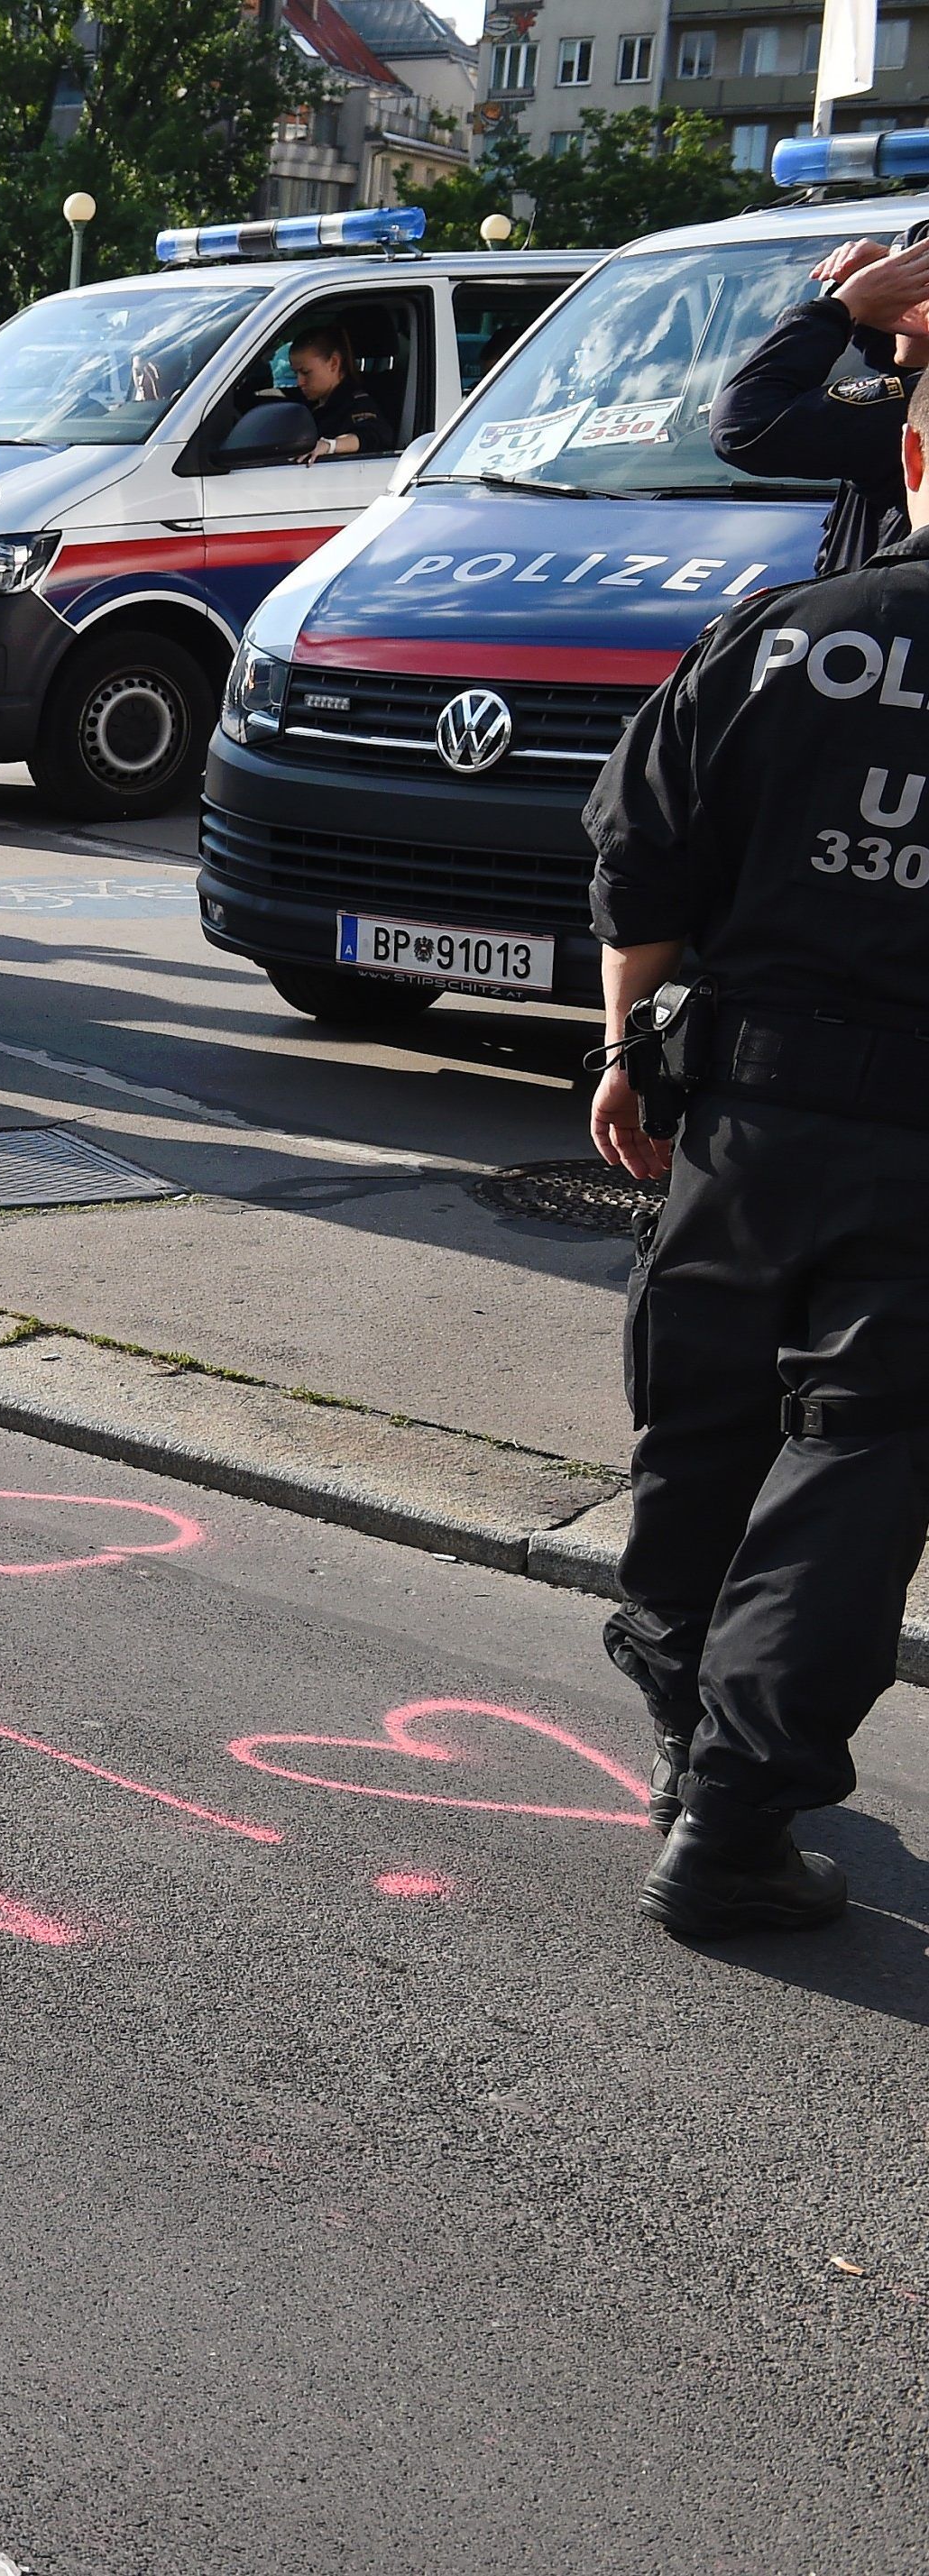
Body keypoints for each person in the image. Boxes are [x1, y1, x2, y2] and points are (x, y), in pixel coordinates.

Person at [581, 379, 929, 1942]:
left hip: (743, 1111)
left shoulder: (781, 631)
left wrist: (621, 1045)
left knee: (705, 1422)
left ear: (908, 454)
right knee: (852, 1461)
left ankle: (681, 1736)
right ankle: (728, 1814)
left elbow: (637, 851)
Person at [713, 234, 929, 574]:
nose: (904, 301)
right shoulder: (908, 400)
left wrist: (842, 307)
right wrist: (867, 313)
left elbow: (745, 426)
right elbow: (901, 373)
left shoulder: (913, 410)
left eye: (915, 285)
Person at [288, 325, 391, 460]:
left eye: (306, 372)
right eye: (295, 373)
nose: (299, 382)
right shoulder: (310, 401)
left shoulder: (356, 404)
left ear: (334, 364)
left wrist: (329, 446)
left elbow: (373, 436)